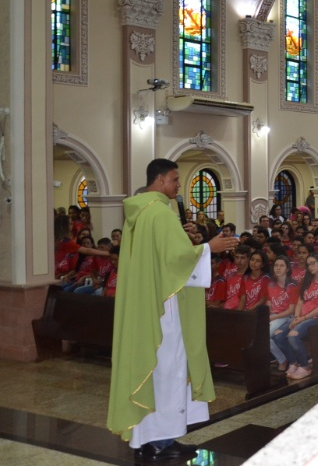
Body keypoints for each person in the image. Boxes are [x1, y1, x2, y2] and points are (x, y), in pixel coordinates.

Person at [107, 159, 239, 460]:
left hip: (146, 301)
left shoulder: (137, 213)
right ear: (161, 179)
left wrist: (192, 243)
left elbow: (162, 258)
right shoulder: (160, 214)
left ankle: (150, 436)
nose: (178, 185)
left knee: (154, 371)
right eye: (175, 179)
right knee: (168, 369)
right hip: (164, 308)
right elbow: (177, 261)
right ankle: (161, 442)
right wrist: (209, 248)